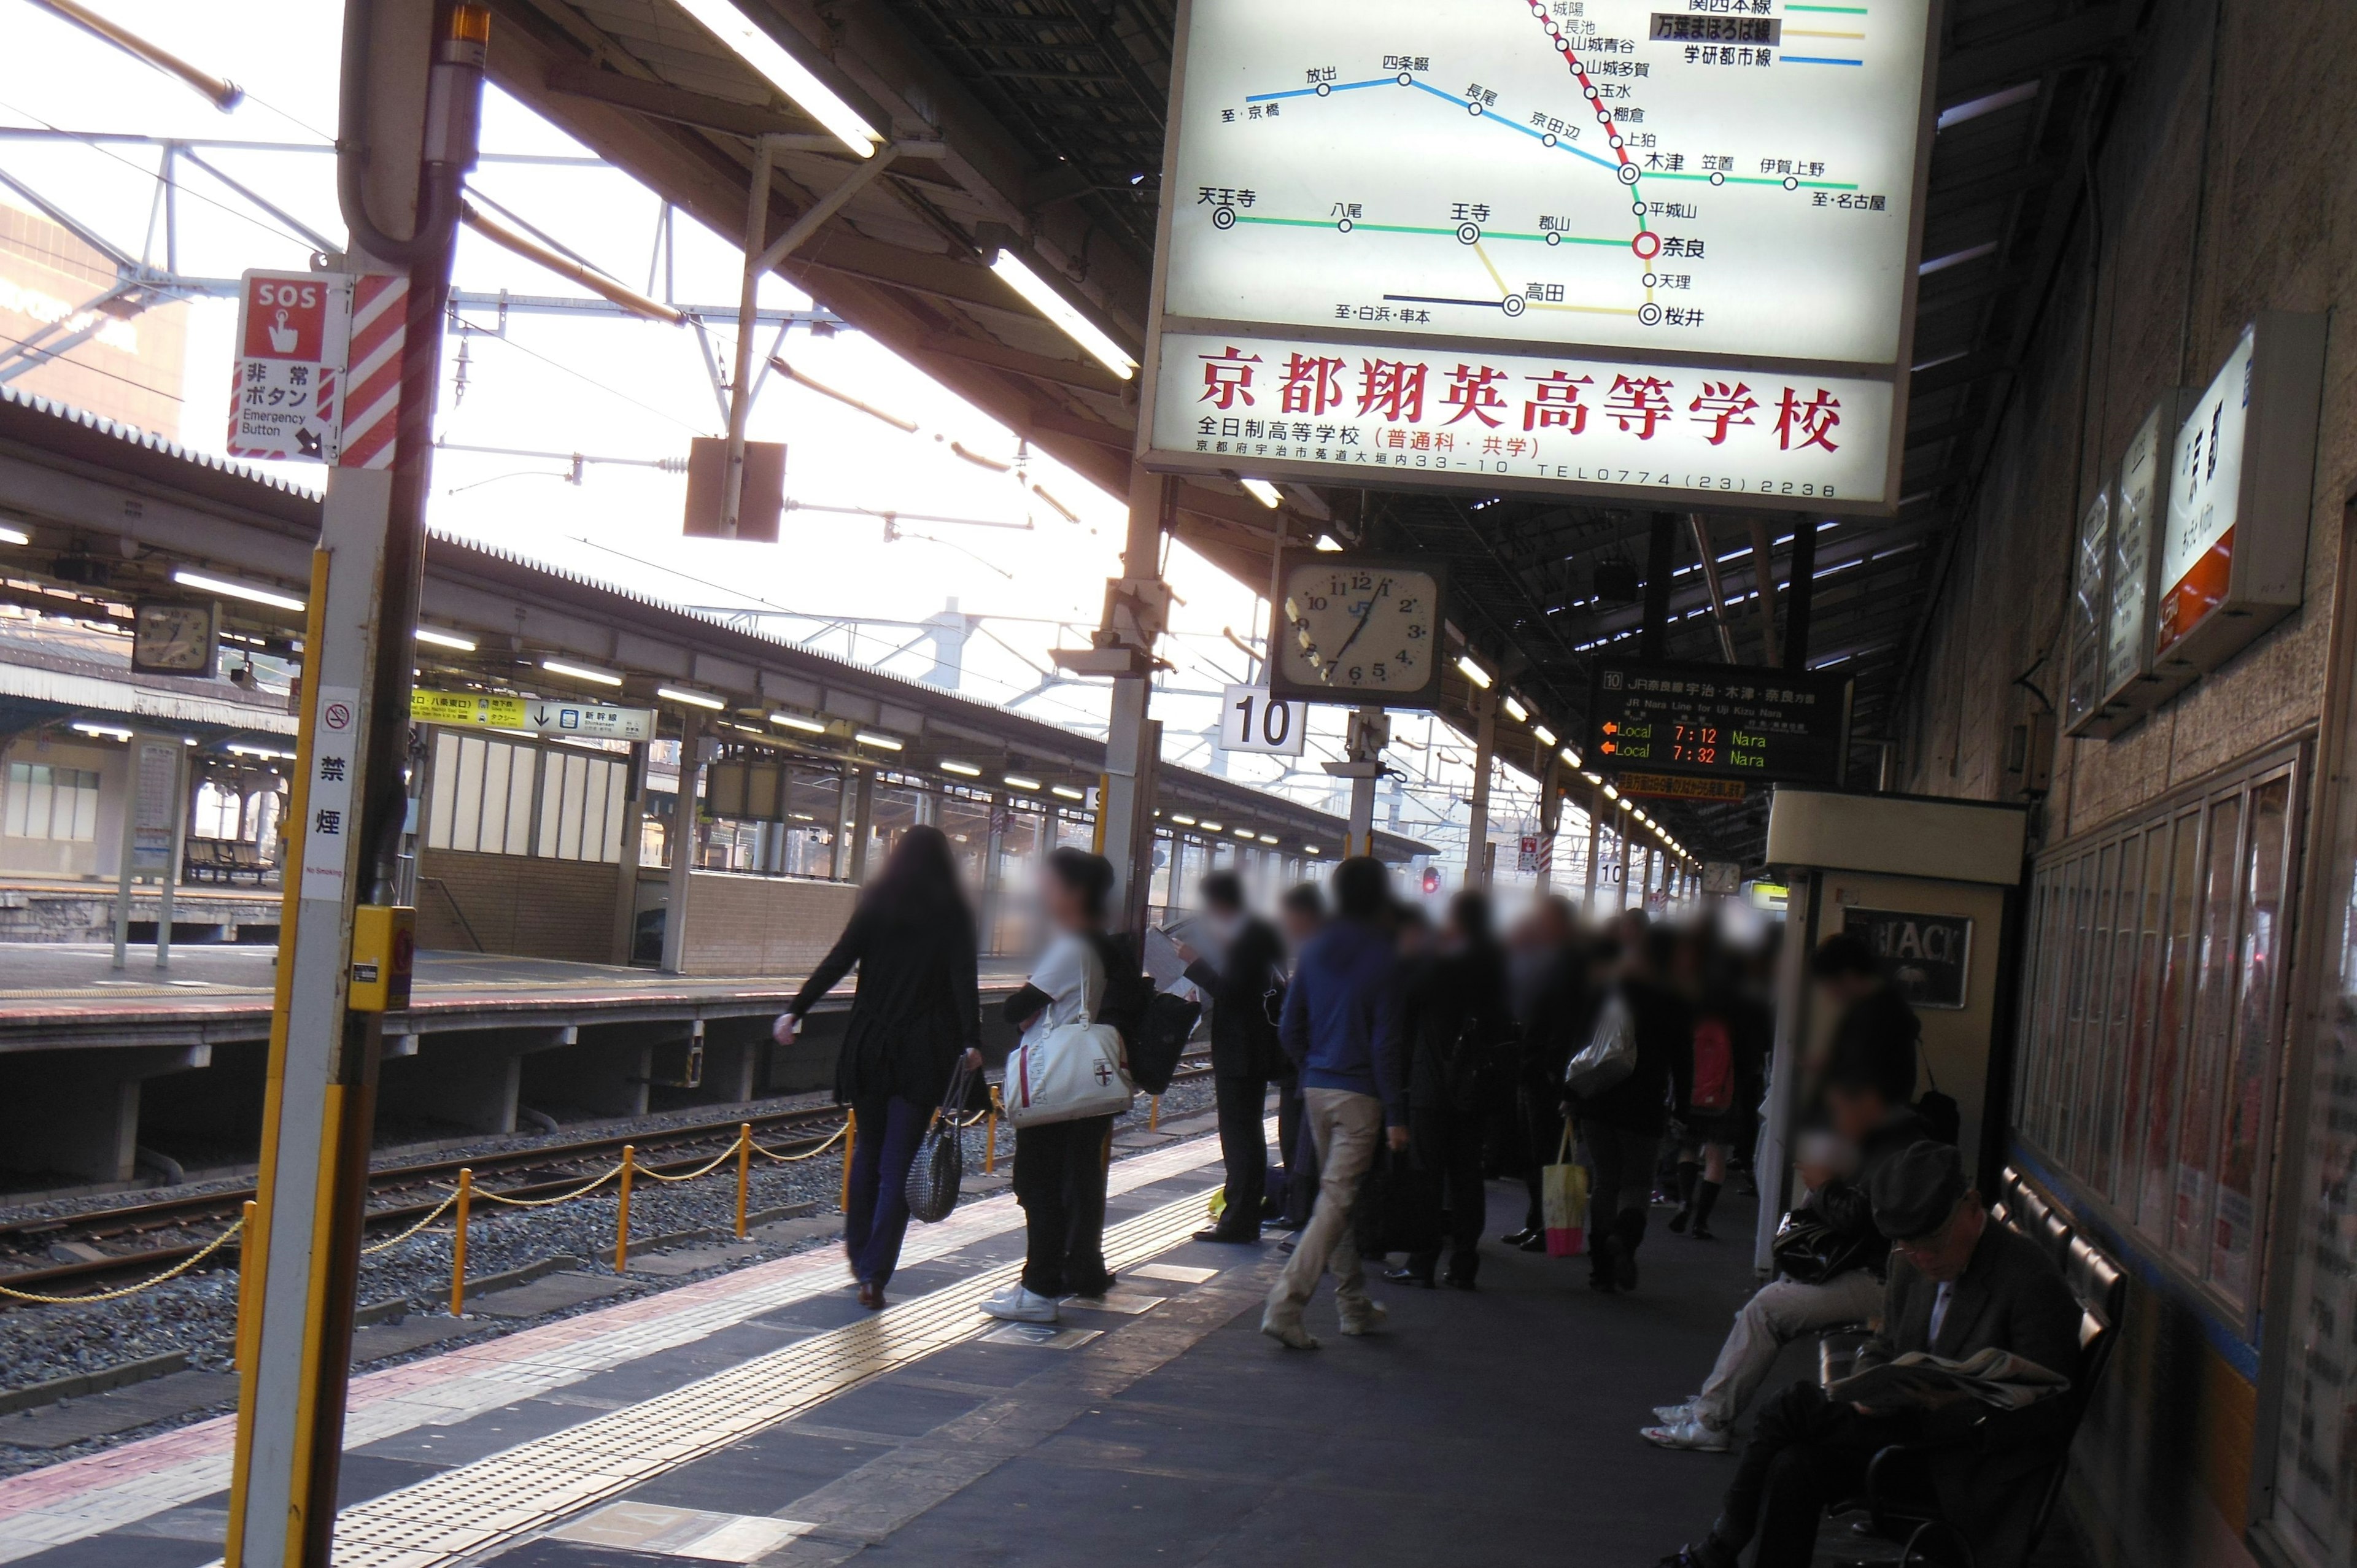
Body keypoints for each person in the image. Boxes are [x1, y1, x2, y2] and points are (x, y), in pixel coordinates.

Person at [1660, 1142, 2084, 1568]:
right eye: (1908, 1246)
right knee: (1794, 1465)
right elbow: (1886, 1343)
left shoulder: (2028, 1279)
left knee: (1790, 1409)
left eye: (1932, 1244)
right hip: (1911, 1433)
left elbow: (2051, 1410)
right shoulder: (1912, 1261)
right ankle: (1719, 1551)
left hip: (1967, 1463)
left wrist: (1957, 1405)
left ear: (1972, 1207)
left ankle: (1718, 1550)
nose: (1921, 1258)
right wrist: (1871, 1382)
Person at [1644, 1046, 1938, 1450]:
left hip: (1885, 1281)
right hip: (1881, 1270)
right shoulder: (1891, 1136)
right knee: (1771, 1301)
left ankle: (1711, 1420)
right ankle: (1711, 1403)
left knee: (1766, 1309)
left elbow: (1861, 1218)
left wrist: (1822, 1184)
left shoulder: (1894, 1148)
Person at [775, 825, 981, 1311]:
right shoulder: (953, 912)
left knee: (867, 1152)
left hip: (869, 1045)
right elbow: (961, 982)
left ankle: (857, 1252)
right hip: (921, 1049)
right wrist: (972, 1041)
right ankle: (875, 1273)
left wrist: (795, 1009)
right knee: (898, 1163)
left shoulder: (877, 902)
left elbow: (838, 961)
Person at [1262, 856, 1409, 1350]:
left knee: (1334, 1199)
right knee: (1336, 1202)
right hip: (1361, 1095)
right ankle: (1286, 1303)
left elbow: (1289, 1027)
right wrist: (1398, 1112)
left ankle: (1353, 1307)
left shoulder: (1316, 947)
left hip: (1317, 1089)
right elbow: (1388, 1043)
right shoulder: (1386, 956)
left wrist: (1314, 1067)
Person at [982, 848, 1122, 1325]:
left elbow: (1014, 1007)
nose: (1044, 894)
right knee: (1059, 1184)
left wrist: (1026, 1000)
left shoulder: (1071, 948)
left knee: (1036, 1185)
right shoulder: (1091, 944)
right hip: (1073, 1087)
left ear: (1075, 893)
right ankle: (1044, 1280)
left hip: (1053, 1087)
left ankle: (1039, 1289)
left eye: (1051, 886)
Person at [1390, 889, 1511, 1288]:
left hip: (1433, 1085)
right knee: (1467, 1177)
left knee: (1427, 1175)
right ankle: (1464, 1263)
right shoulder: (1496, 964)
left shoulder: (1439, 960)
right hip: (1475, 1088)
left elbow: (1406, 1006)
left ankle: (1422, 1262)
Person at [1572, 926, 1692, 1294]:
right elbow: (1683, 1062)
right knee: (1637, 1184)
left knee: (1606, 1183)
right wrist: (1683, 1109)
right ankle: (1624, 1238)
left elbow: (1583, 1045)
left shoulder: (1611, 987)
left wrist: (1571, 1092)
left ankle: (1601, 1271)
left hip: (1598, 1100)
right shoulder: (1674, 999)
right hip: (1643, 1106)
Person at [1177, 871, 1288, 1243]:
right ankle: (1242, 1214)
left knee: (1239, 1134)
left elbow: (1232, 992)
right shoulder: (1260, 931)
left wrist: (1195, 963)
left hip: (1243, 1050)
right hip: (1254, 1046)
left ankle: (1239, 1219)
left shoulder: (1248, 938)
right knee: (1247, 1132)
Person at [1502, 897, 1589, 1253]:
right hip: (1535, 1070)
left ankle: (1551, 1227)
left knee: (1549, 1153)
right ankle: (1537, 1222)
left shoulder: (1570, 963)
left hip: (1547, 1075)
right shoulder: (1552, 959)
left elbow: (1568, 1023)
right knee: (1535, 1152)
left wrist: (1555, 1072)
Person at [1270, 881, 1326, 1230]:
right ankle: (1300, 1213)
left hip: (1311, 1070)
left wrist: (1305, 1062)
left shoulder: (1315, 953)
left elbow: (1291, 1026)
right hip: (1315, 1067)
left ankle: (1303, 1218)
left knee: (1304, 1147)